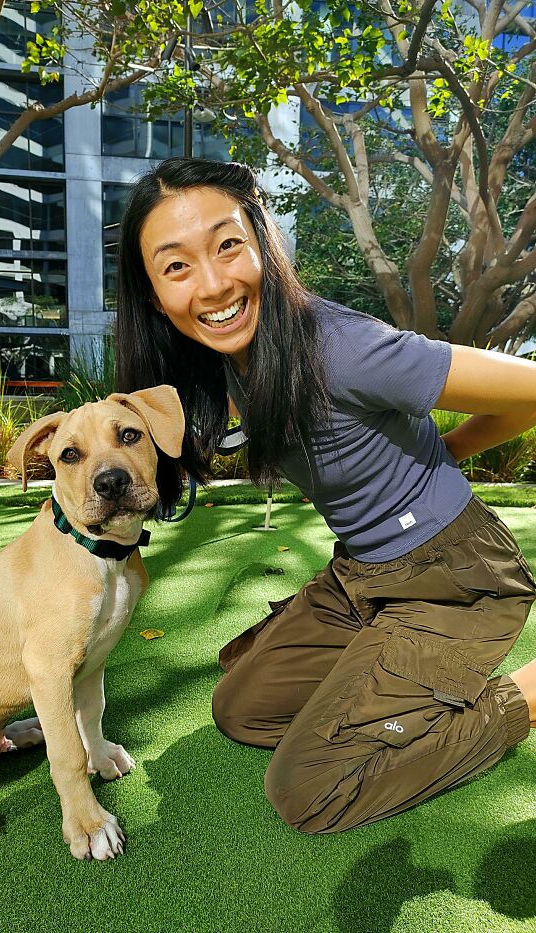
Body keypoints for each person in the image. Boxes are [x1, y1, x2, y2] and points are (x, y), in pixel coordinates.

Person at [115, 157, 536, 833]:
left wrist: (443, 456)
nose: (214, 282)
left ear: (262, 243)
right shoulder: (228, 359)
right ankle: (392, 663)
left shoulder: (344, 349)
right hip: (363, 576)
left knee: (308, 787)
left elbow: (531, 391)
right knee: (241, 707)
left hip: (455, 580)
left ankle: (527, 693)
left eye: (228, 246)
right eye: (177, 265)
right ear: (153, 293)